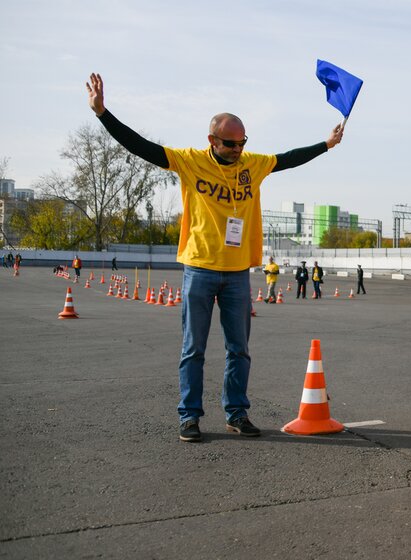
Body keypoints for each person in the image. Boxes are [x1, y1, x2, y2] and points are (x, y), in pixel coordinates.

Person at [86, 73, 344, 443]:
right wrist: (102, 114)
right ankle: (189, 416)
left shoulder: (253, 165)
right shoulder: (189, 162)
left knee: (239, 350)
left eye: (242, 143)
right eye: (230, 143)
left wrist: (326, 144)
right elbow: (141, 146)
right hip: (200, 269)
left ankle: (236, 413)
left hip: (238, 273)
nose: (238, 149)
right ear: (212, 140)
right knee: (194, 349)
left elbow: (288, 159)